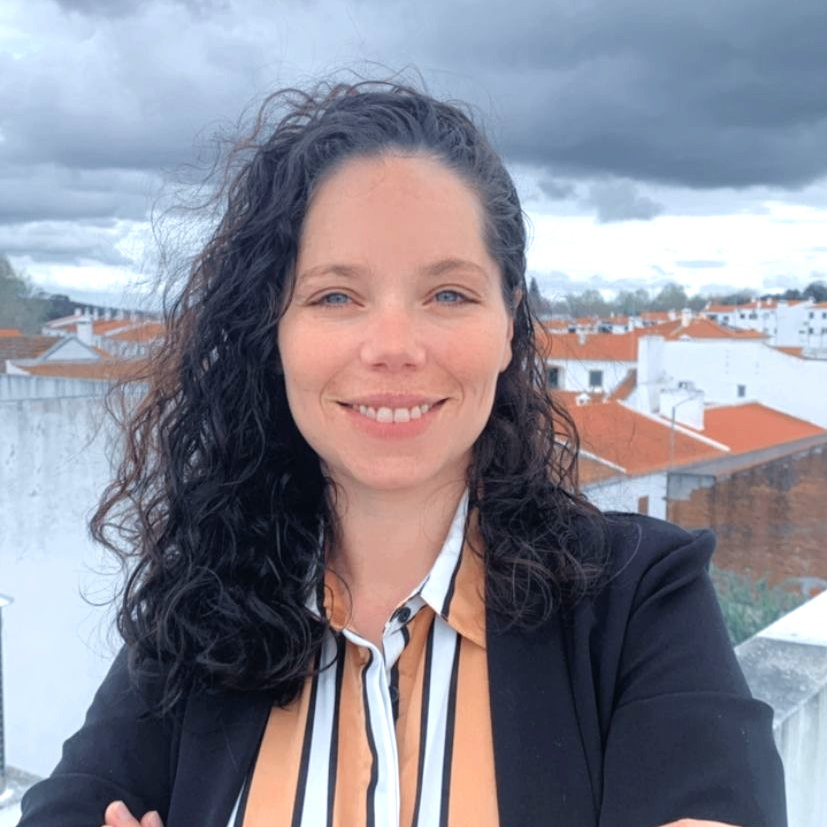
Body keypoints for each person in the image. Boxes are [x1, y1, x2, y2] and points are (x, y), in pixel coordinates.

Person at [18, 79, 786, 827]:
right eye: (334, 296)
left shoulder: (638, 600)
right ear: (272, 331)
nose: (393, 346)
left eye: (448, 294)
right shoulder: (202, 603)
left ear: (509, 322)